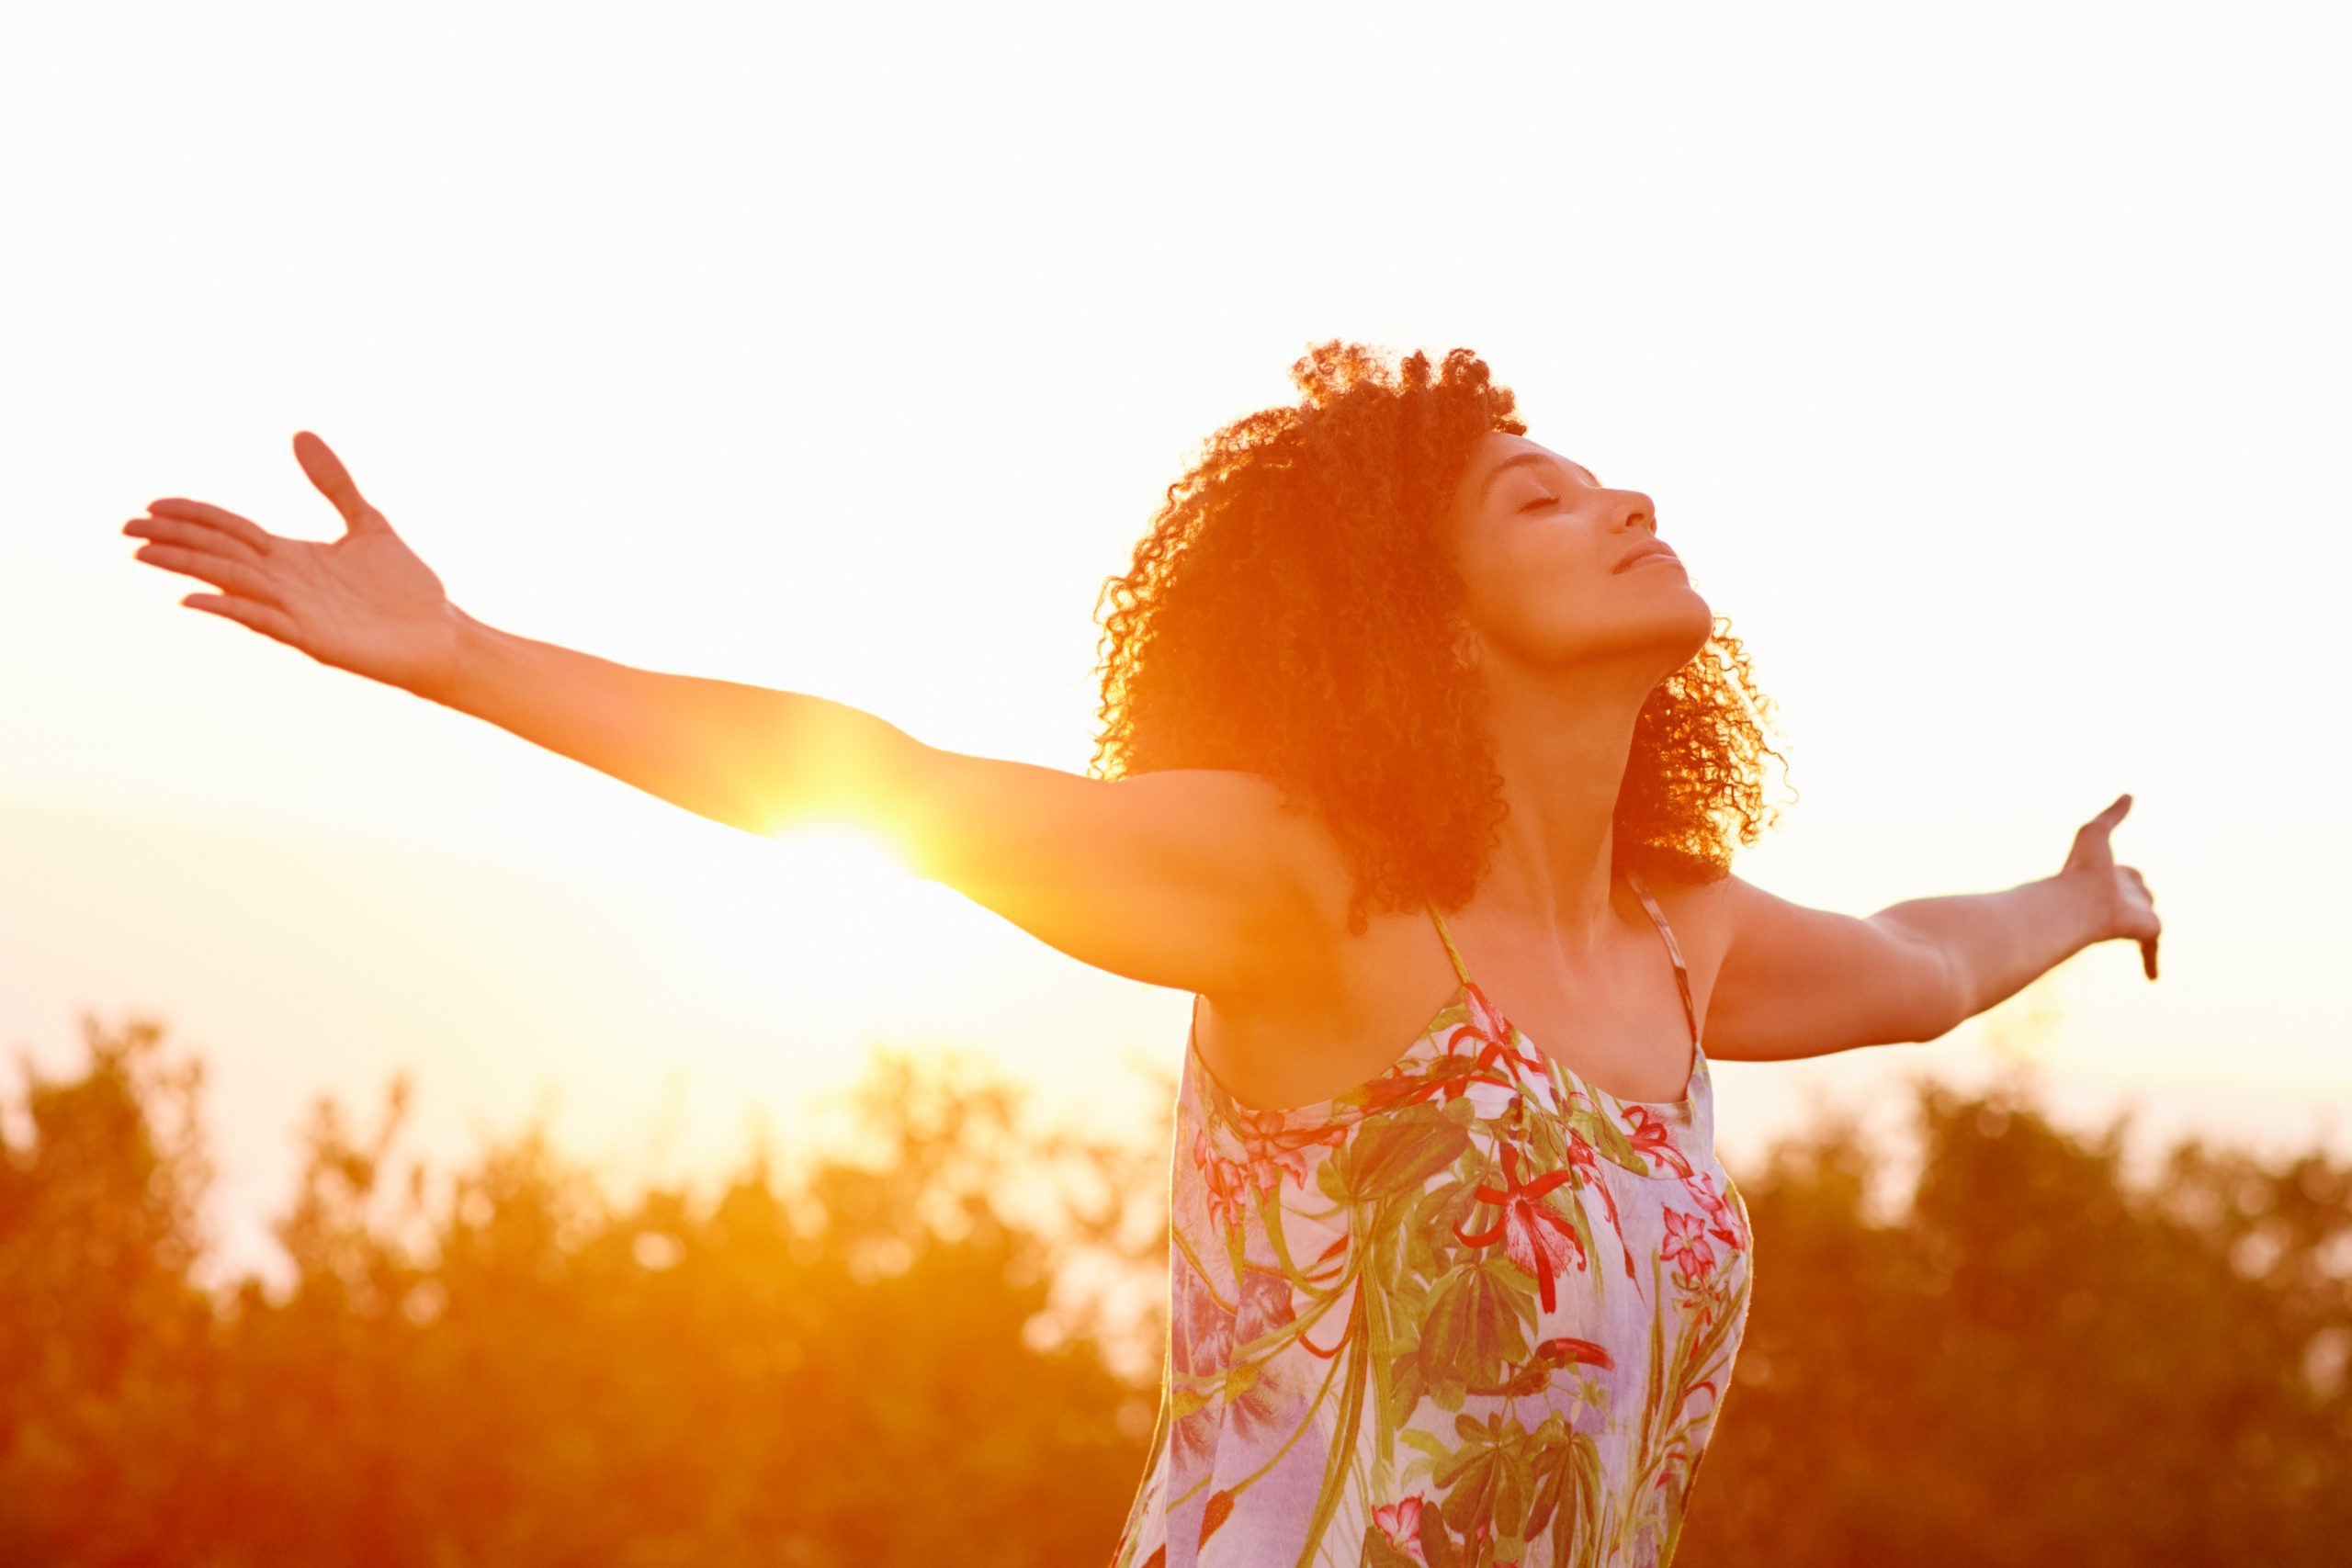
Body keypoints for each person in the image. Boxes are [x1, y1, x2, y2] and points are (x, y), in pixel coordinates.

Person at [121, 342, 2160, 1566]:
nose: (1619, 492)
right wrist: (466, 657)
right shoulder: (1308, 895)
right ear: (1416, 623)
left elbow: (1913, 957)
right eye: (1537, 498)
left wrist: (2077, 898)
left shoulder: (1675, 940)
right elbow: (886, 778)